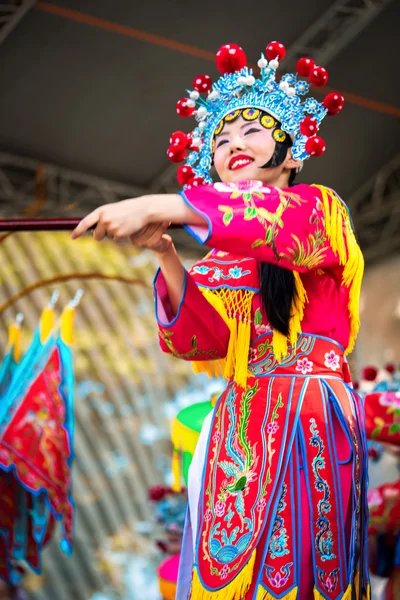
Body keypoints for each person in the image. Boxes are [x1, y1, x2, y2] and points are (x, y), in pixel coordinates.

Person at [72, 41, 369, 600]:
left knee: (304, 568)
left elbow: (276, 226)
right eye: (221, 140)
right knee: (229, 575)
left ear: (290, 152)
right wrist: (165, 253)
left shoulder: (320, 209)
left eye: (251, 132)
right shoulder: (221, 256)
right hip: (238, 423)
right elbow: (197, 339)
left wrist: (167, 205)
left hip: (307, 415)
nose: (233, 145)